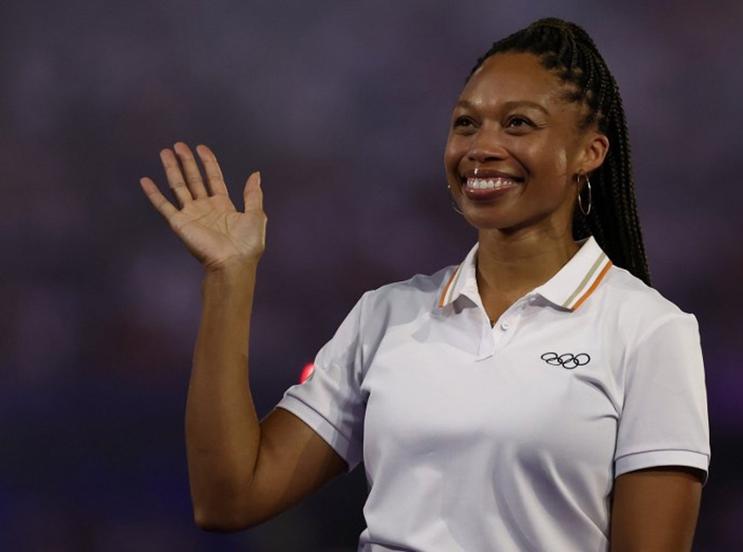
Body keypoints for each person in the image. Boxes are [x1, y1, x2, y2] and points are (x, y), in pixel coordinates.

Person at [139, 17, 710, 552]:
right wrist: (228, 278)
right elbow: (229, 497)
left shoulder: (650, 331)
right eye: (466, 122)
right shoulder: (387, 315)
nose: (481, 147)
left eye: (518, 123)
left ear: (589, 152)